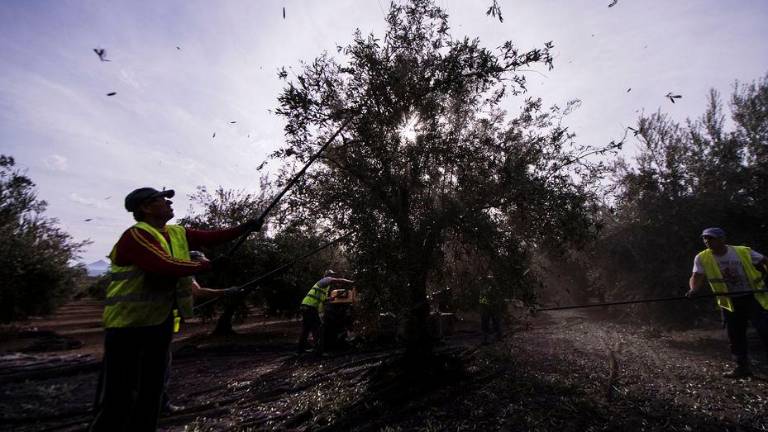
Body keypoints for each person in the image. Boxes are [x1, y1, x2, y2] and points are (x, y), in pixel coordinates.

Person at [90, 187, 261, 432]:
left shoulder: (177, 232)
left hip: (159, 324)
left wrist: (244, 227)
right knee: (120, 394)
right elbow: (162, 264)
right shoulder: (136, 235)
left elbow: (211, 237)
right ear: (145, 207)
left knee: (152, 390)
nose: (169, 202)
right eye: (162, 199)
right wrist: (205, 267)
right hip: (128, 327)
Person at [160, 250, 240, 415]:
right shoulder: (184, 272)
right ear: (194, 260)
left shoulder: (180, 271)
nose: (202, 267)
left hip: (160, 322)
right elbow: (198, 291)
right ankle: (160, 405)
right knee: (161, 366)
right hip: (157, 324)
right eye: (202, 262)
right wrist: (225, 292)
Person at [687, 227, 768, 378]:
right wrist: (693, 289)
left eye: (711, 238)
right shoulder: (702, 257)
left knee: (765, 329)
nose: (707, 241)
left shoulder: (742, 251)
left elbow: (764, 261)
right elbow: (696, 276)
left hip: (752, 297)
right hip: (729, 301)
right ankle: (742, 368)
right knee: (735, 335)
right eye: (705, 238)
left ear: (722, 239)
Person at [297, 270, 354, 355]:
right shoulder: (325, 280)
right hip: (310, 307)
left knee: (306, 329)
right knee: (318, 328)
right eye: (332, 275)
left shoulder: (324, 288)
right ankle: (319, 351)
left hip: (305, 306)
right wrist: (350, 282)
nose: (333, 277)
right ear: (327, 276)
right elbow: (338, 280)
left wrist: (330, 299)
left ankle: (300, 350)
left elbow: (323, 300)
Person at [479, 275, 503, 344]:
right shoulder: (484, 288)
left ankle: (497, 336)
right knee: (486, 323)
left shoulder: (494, 288)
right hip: (486, 307)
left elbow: (497, 298)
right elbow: (482, 299)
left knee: (495, 322)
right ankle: (487, 338)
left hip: (492, 307)